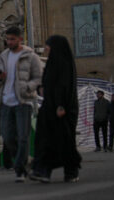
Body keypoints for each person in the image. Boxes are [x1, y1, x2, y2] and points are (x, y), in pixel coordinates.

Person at [0, 26, 42, 183]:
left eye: (12, 39)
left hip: (23, 101)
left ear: (20, 39)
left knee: (23, 137)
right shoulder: (3, 57)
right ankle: (27, 161)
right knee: (7, 137)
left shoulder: (30, 56)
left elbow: (38, 78)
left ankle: (19, 170)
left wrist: (27, 87)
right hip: (6, 102)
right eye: (7, 39)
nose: (9, 42)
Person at [29, 35, 82, 183]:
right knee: (44, 141)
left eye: (48, 45)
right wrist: (41, 88)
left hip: (63, 110)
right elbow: (47, 83)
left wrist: (61, 106)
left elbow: (64, 87)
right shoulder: (51, 64)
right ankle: (42, 171)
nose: (45, 48)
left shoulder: (64, 64)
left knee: (64, 142)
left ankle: (71, 171)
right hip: (49, 108)